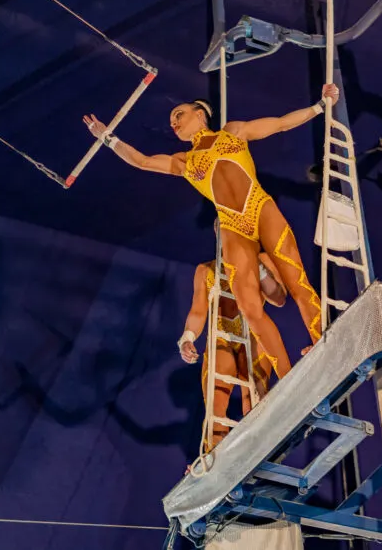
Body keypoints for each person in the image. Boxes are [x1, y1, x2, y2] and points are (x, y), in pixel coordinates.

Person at [82, 83, 338, 378]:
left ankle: (323, 341)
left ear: (200, 113)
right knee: (250, 308)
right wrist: (107, 137)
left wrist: (320, 106)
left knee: (296, 282)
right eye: (171, 122)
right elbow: (141, 161)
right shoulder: (184, 160)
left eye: (178, 114)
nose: (174, 123)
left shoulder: (232, 132)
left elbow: (280, 124)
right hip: (231, 225)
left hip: (259, 207)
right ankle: (288, 378)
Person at [178, 245, 286, 450]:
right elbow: (198, 311)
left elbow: (279, 298)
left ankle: (258, 451)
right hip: (222, 337)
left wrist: (258, 267)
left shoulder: (262, 259)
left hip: (252, 333)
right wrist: (187, 338)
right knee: (215, 406)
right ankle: (213, 457)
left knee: (255, 399)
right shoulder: (205, 270)